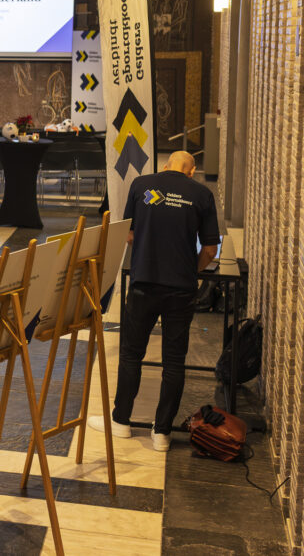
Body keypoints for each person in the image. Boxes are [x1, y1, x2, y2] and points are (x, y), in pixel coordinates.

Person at [89, 151, 219, 452]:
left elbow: (129, 234)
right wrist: (191, 270)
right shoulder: (202, 194)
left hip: (143, 283)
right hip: (181, 289)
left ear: (165, 166)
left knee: (131, 354)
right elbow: (210, 249)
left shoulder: (141, 185)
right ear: (192, 172)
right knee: (174, 362)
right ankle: (161, 433)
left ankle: (121, 421)